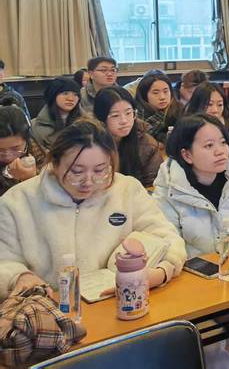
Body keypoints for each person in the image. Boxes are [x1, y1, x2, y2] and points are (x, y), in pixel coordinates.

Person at [0, 119, 186, 300]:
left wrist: (162, 271)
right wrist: (19, 276)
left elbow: (167, 238)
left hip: (121, 300)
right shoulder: (17, 202)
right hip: (50, 307)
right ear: (55, 164)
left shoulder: (127, 190)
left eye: (99, 170)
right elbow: (4, 260)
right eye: (76, 171)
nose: (88, 181)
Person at [154, 113, 229, 369]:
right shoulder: (167, 192)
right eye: (209, 145)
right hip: (191, 291)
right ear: (187, 155)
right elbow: (169, 250)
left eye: (223, 142)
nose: (220, 151)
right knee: (210, 345)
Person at [94, 86, 162, 188]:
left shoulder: (147, 144)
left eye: (128, 113)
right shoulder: (90, 143)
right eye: (115, 115)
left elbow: (154, 185)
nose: (124, 121)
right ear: (100, 118)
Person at [184, 82, 229, 162]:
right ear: (198, 105)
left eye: (220, 104)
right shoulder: (187, 131)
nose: (215, 110)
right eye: (209, 104)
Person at [0, 104, 45, 196]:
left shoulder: (38, 154)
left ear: (27, 140)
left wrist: (30, 179)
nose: (7, 156)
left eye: (15, 148)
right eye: (0, 150)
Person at [31, 78, 84, 150]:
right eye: (65, 93)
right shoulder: (35, 126)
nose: (71, 99)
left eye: (76, 95)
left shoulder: (87, 123)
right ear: (53, 95)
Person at [135, 70, 182, 144]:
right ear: (144, 95)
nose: (162, 97)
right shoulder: (135, 115)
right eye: (155, 93)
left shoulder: (180, 111)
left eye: (166, 91)